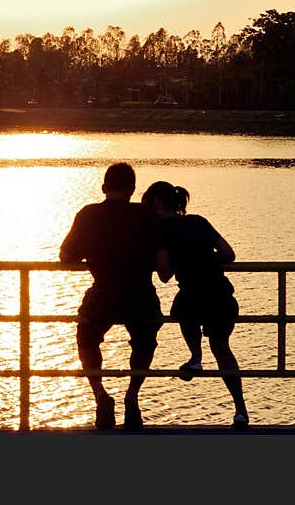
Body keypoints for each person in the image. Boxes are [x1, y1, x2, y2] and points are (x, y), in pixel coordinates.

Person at [60, 162, 163, 431]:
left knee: (86, 337)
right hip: (140, 293)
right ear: (132, 189)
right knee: (145, 341)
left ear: (104, 187)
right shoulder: (147, 215)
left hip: (103, 292)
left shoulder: (88, 215)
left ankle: (101, 395)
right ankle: (132, 396)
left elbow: (66, 255)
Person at [141, 181, 249, 428]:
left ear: (156, 203)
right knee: (222, 348)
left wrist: (173, 259)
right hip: (221, 294)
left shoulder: (161, 230)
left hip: (193, 297)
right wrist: (204, 258)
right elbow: (229, 254)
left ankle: (195, 356)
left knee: (179, 309)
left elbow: (165, 274)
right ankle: (241, 409)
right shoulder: (199, 221)